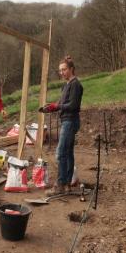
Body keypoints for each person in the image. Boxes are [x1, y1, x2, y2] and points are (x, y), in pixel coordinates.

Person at [39, 55, 83, 195]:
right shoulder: (67, 85)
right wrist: (51, 106)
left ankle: (60, 185)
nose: (61, 72)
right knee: (68, 153)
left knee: (60, 153)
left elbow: (73, 105)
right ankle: (68, 184)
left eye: (64, 69)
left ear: (71, 69)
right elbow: (63, 102)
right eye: (60, 70)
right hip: (66, 120)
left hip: (70, 121)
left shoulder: (76, 84)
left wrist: (57, 107)